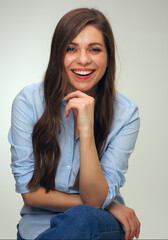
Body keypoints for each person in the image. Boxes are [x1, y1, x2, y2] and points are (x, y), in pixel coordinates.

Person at [8, 8, 141, 240]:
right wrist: (109, 205)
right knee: (78, 217)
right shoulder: (28, 102)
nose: (83, 59)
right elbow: (30, 195)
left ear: (108, 57)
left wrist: (86, 131)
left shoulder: (126, 114)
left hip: (95, 226)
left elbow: (92, 203)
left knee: (82, 217)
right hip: (38, 230)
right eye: (71, 48)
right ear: (58, 54)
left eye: (95, 49)